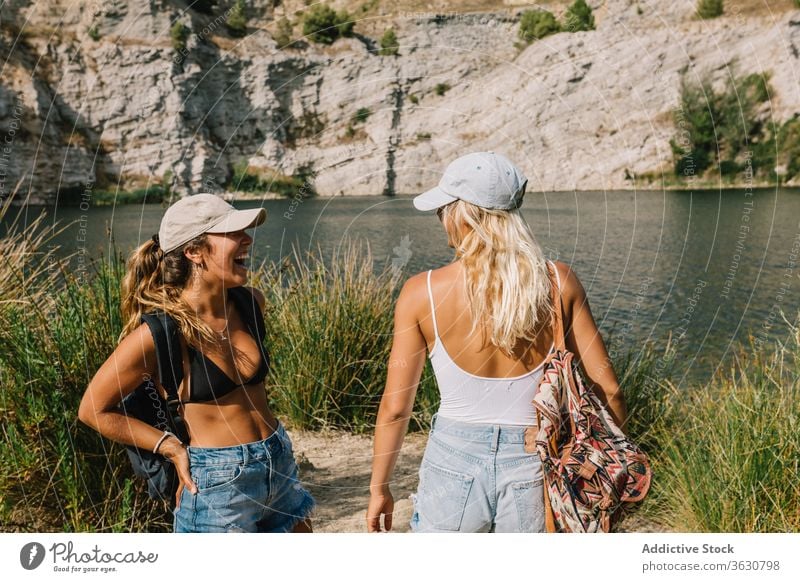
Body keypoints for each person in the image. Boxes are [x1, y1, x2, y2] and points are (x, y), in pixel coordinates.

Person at [367, 152, 628, 533]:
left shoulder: (420, 293)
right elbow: (610, 391)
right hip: (535, 462)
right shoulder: (559, 283)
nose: (442, 221)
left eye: (444, 210)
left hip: (452, 462)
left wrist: (379, 488)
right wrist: (601, 467)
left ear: (462, 214)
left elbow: (394, 409)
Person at [78, 194, 315, 533]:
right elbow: (93, 409)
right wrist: (170, 447)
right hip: (217, 484)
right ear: (194, 251)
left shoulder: (250, 304)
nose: (247, 238)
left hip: (279, 461)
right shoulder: (159, 334)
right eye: (233, 233)